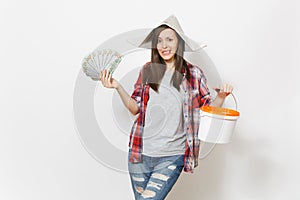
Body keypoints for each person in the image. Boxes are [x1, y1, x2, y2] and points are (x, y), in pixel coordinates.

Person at [99, 15, 233, 200]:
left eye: (169, 39)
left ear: (179, 43)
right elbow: (135, 109)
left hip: (172, 155)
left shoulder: (194, 74)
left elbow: (207, 111)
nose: (164, 46)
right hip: (140, 153)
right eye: (159, 41)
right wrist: (118, 87)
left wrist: (221, 97)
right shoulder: (148, 71)